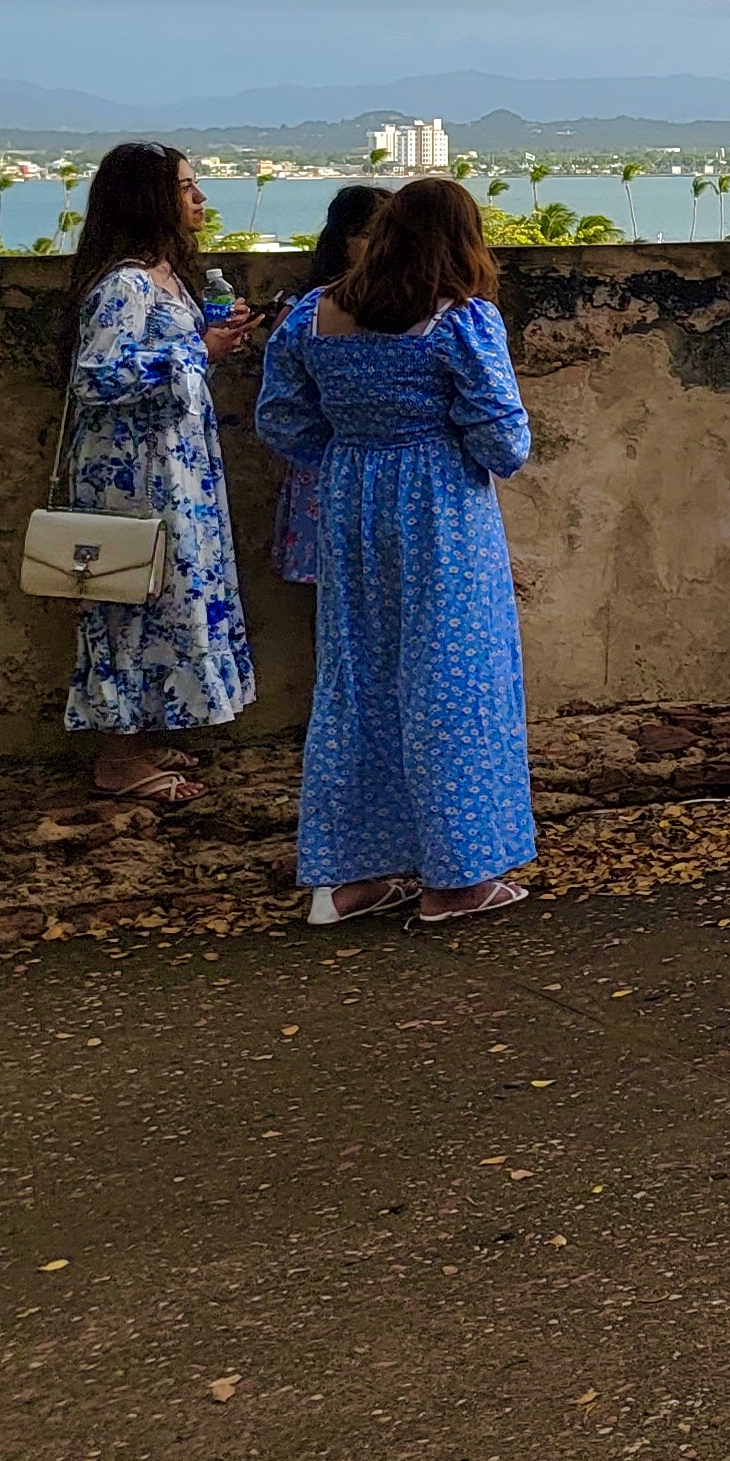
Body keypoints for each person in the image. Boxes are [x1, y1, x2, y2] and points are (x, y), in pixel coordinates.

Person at [256, 176, 537, 925]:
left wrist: (354, 448)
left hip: (350, 497)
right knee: (453, 679)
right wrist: (434, 443)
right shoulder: (460, 320)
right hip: (440, 506)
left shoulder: (313, 315)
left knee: (357, 678)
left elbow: (281, 420)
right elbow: (505, 442)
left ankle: (349, 875)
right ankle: (458, 877)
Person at [54, 142, 261, 805]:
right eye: (184, 187)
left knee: (168, 601)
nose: (198, 199)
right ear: (148, 199)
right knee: (128, 599)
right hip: (134, 474)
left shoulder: (165, 277)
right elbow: (95, 377)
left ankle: (141, 735)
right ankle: (116, 759)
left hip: (176, 467)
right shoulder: (126, 284)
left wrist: (211, 344)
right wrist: (196, 350)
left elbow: (169, 361)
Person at [269, 182, 391, 593]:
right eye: (368, 235)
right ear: (342, 240)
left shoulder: (405, 304)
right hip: (325, 462)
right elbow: (282, 403)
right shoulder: (306, 308)